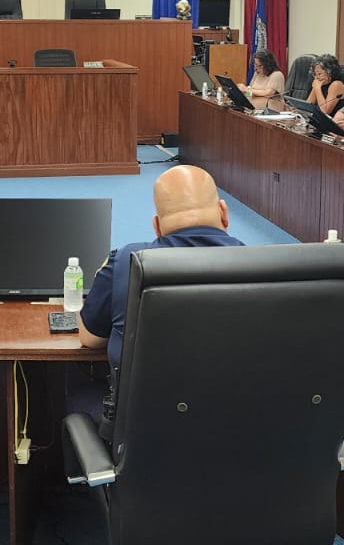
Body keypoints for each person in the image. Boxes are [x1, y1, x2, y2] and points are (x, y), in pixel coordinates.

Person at [77, 165, 244, 434]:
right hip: (238, 435)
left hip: (145, 441)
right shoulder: (267, 268)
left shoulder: (126, 262)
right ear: (224, 213)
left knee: (78, 395)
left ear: (157, 226)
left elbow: (90, 338)